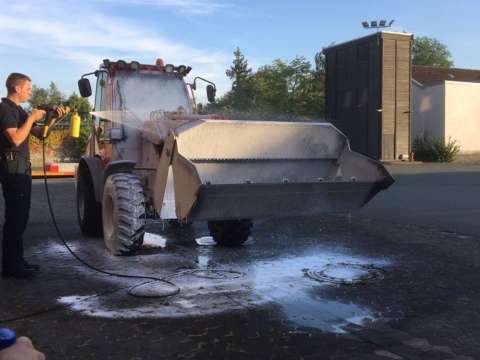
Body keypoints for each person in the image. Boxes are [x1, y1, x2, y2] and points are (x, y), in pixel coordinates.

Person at [0, 73, 65, 278]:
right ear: (17, 89)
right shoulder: (5, 109)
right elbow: (16, 139)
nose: (30, 91)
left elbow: (41, 134)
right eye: (28, 87)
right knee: (15, 217)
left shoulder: (19, 110)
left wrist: (53, 118)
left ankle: (16, 261)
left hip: (21, 168)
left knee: (21, 217)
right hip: (12, 167)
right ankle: (11, 266)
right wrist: (30, 118)